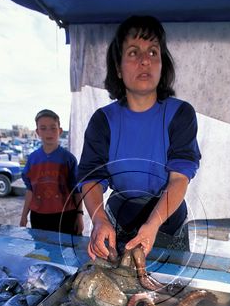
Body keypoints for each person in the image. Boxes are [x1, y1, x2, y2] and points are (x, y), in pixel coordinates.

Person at [78, 16, 201, 260]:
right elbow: (92, 177)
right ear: (118, 68)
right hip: (118, 219)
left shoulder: (180, 113)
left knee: (169, 291)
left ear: (162, 64)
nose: (145, 60)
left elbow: (179, 178)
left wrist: (153, 224)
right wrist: (98, 219)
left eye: (153, 52)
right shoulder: (103, 120)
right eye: (133, 52)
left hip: (167, 220)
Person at [20, 109, 83, 235]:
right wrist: (23, 216)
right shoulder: (32, 159)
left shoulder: (68, 159)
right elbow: (30, 190)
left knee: (66, 251)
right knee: (41, 252)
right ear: (37, 132)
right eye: (43, 128)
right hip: (38, 217)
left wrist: (79, 216)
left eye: (53, 128)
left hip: (65, 216)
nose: (49, 132)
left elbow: (76, 191)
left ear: (59, 130)